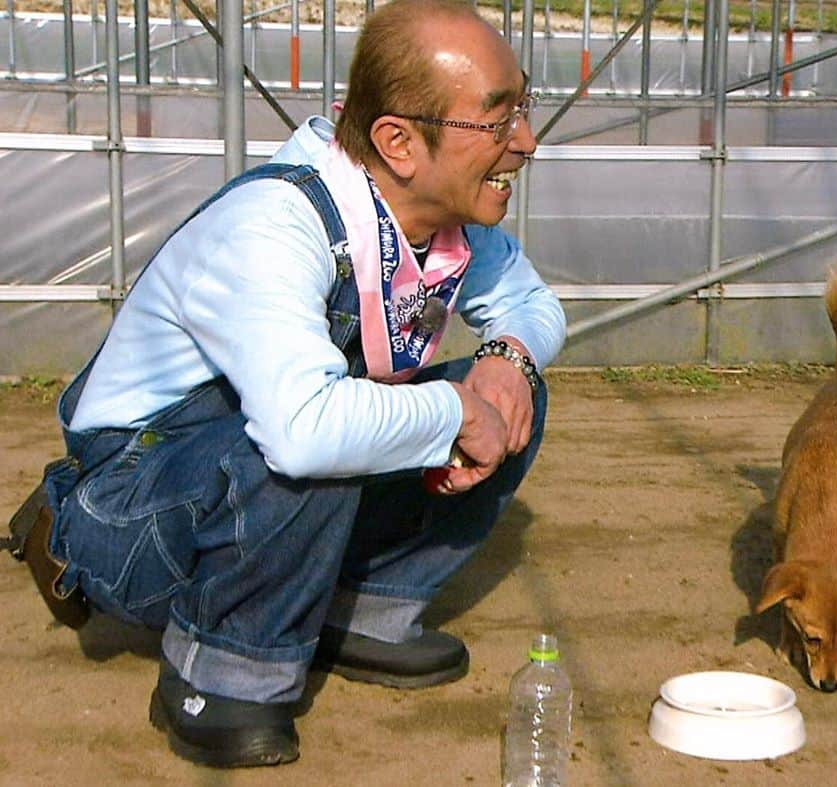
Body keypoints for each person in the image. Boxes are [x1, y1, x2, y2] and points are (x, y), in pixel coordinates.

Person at [9, 0, 565, 768]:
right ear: (398, 141)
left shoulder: (442, 227)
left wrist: (507, 365)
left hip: (242, 477)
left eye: (522, 109)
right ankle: (221, 668)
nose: (526, 143)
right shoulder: (277, 226)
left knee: (507, 395)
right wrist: (453, 408)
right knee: (325, 434)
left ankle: (360, 610)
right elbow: (301, 429)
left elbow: (532, 306)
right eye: (498, 120)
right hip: (133, 505)